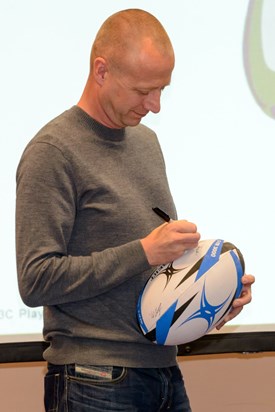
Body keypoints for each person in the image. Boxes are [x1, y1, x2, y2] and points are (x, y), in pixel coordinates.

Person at [16, 8, 255, 412]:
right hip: (93, 379)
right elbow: (36, 280)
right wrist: (143, 251)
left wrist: (208, 301)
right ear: (101, 71)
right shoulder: (52, 153)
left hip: (163, 373)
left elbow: (153, 280)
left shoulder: (146, 144)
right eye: (144, 90)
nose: (156, 104)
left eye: (163, 88)